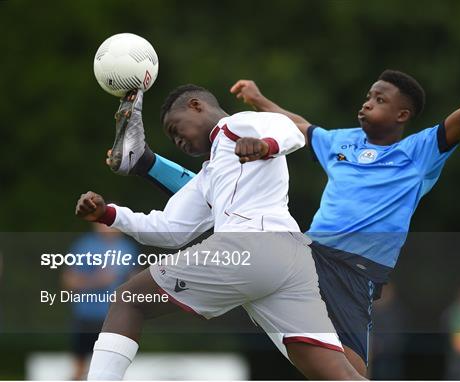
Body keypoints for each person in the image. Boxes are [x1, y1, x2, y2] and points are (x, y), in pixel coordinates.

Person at [104, 14, 460, 376]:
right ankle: (145, 163)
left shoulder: (418, 152)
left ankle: (144, 163)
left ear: (403, 116)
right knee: (217, 188)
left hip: (358, 274)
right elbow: (297, 126)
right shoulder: (342, 143)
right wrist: (260, 100)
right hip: (311, 256)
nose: (368, 102)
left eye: (381, 100)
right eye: (369, 95)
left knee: (350, 372)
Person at [75, 84, 362, 380]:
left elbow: (287, 128)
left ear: (197, 106)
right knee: (339, 374)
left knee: (129, 298)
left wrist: (266, 145)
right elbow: (170, 230)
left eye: (176, 128)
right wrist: (109, 214)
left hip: (249, 247)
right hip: (292, 262)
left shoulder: (233, 126)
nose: (177, 141)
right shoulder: (210, 175)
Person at [62, 223, 138, 380]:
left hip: (117, 318)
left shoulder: (127, 248)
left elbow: (135, 278)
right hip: (88, 316)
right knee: (80, 368)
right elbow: (69, 282)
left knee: (114, 367)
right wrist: (96, 280)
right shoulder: (84, 245)